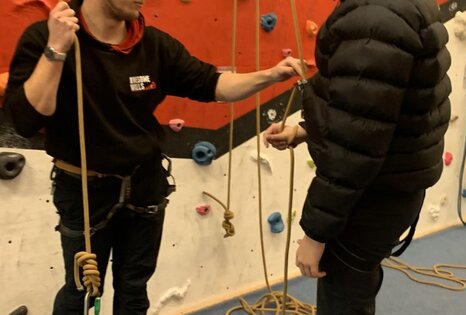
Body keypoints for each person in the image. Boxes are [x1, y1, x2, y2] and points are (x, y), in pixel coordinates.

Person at [3, 0, 302, 314]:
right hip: (84, 190)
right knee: (81, 291)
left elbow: (214, 85)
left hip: (145, 185)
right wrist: (56, 49)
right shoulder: (46, 37)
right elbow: (27, 120)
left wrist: (269, 75)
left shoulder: (154, 45)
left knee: (134, 289)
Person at [264, 0, 451, 314]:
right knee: (355, 285)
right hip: (390, 187)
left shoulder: (373, 18)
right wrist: (306, 130)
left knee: (344, 295)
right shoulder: (394, 9)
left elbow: (356, 142)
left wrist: (316, 234)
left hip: (370, 193)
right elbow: (375, 108)